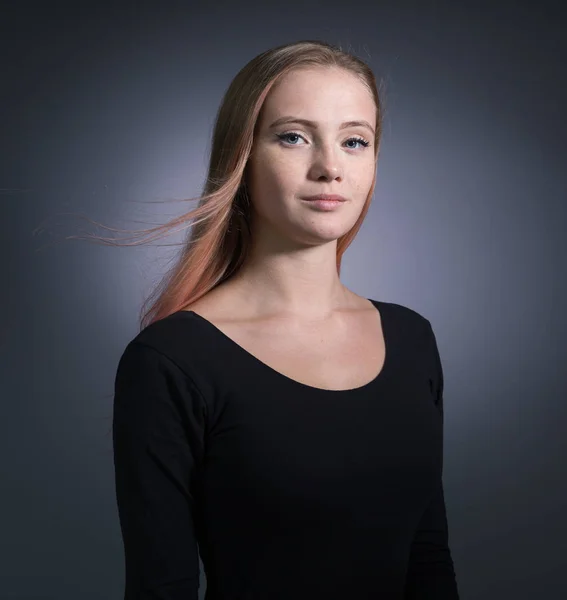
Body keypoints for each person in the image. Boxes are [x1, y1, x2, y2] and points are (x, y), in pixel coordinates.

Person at [112, 39, 460, 599]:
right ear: (241, 154)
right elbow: (161, 588)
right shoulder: (171, 362)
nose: (330, 168)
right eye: (294, 136)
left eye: (354, 141)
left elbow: (428, 555)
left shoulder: (411, 338)